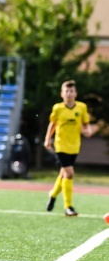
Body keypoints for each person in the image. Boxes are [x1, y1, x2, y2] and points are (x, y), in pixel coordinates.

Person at [44, 80, 92, 217]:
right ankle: (68, 207)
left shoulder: (81, 107)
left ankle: (53, 194)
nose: (69, 94)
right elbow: (52, 125)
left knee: (63, 174)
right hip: (60, 144)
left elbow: (85, 124)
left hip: (75, 145)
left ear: (75, 93)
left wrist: (87, 131)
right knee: (69, 173)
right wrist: (48, 139)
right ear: (62, 94)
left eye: (71, 91)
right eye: (66, 91)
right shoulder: (58, 108)